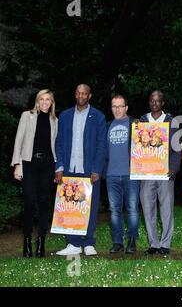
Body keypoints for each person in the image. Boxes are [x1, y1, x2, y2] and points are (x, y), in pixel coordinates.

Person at [54, 84, 106, 256]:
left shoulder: (98, 116)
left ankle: (89, 242)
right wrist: (59, 167)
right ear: (75, 94)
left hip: (89, 169)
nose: (81, 95)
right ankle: (73, 244)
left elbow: (101, 145)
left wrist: (97, 168)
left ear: (89, 95)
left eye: (84, 93)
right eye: (78, 93)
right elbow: (59, 143)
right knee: (70, 206)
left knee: (90, 206)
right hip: (69, 168)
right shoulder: (65, 115)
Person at [11, 89, 58, 258]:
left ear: (52, 103)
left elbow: (55, 146)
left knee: (44, 205)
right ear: (38, 101)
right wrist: (17, 164)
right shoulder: (27, 116)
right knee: (29, 203)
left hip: (47, 165)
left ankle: (41, 243)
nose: (45, 102)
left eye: (48, 100)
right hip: (29, 164)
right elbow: (19, 140)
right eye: (42, 99)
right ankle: (26, 243)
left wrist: (57, 168)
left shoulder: (55, 120)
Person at [139, 90, 181, 255]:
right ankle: (153, 243)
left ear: (163, 103)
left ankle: (165, 243)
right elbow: (136, 146)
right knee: (148, 208)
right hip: (147, 173)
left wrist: (174, 167)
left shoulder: (172, 121)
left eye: (158, 101)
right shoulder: (142, 121)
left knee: (167, 209)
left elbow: (177, 148)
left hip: (165, 173)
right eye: (152, 100)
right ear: (149, 102)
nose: (154, 103)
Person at [105, 94, 140, 254]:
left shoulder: (136, 124)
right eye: (114, 106)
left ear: (126, 107)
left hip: (130, 174)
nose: (117, 109)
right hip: (111, 175)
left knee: (132, 209)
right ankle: (117, 242)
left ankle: (132, 241)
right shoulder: (107, 126)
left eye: (120, 106)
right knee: (114, 210)